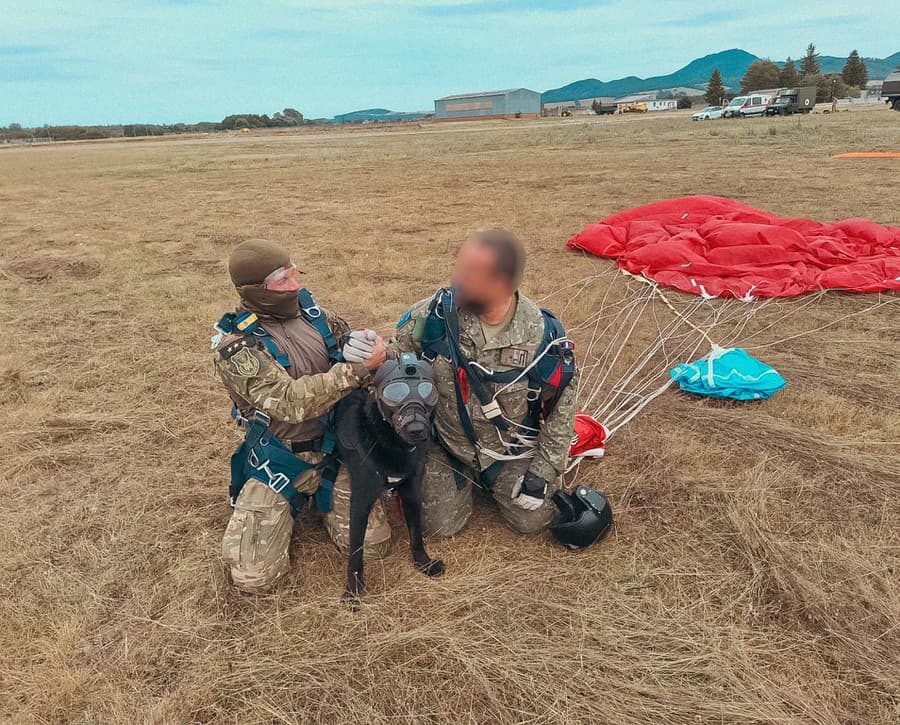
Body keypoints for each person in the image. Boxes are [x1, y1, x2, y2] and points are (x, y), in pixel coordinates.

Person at [346, 229, 577, 538]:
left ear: (502, 283)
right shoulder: (434, 315)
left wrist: (542, 473)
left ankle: (490, 481)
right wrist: (376, 357)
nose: (457, 280)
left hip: (508, 450)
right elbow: (398, 355)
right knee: (439, 527)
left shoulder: (542, 336)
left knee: (533, 522)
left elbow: (562, 408)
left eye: (470, 275)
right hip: (446, 443)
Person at [213, 239, 391, 593]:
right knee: (253, 580)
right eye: (282, 279)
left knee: (375, 548)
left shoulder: (315, 316)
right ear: (255, 290)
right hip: (280, 460)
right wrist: (356, 371)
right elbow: (289, 402)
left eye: (294, 273)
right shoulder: (236, 348)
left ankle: (320, 498)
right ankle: (285, 503)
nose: (295, 285)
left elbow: (355, 345)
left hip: (335, 451)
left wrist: (368, 345)